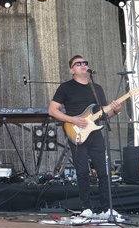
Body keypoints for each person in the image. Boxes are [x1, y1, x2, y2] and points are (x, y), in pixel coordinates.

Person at [48, 55, 121, 217]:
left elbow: (104, 114)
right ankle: (86, 208)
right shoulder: (65, 87)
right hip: (76, 132)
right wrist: (72, 119)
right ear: (71, 70)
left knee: (103, 171)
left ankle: (106, 209)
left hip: (95, 133)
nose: (83, 65)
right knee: (82, 172)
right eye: (78, 63)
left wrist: (115, 111)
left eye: (85, 63)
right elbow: (52, 110)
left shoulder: (96, 88)